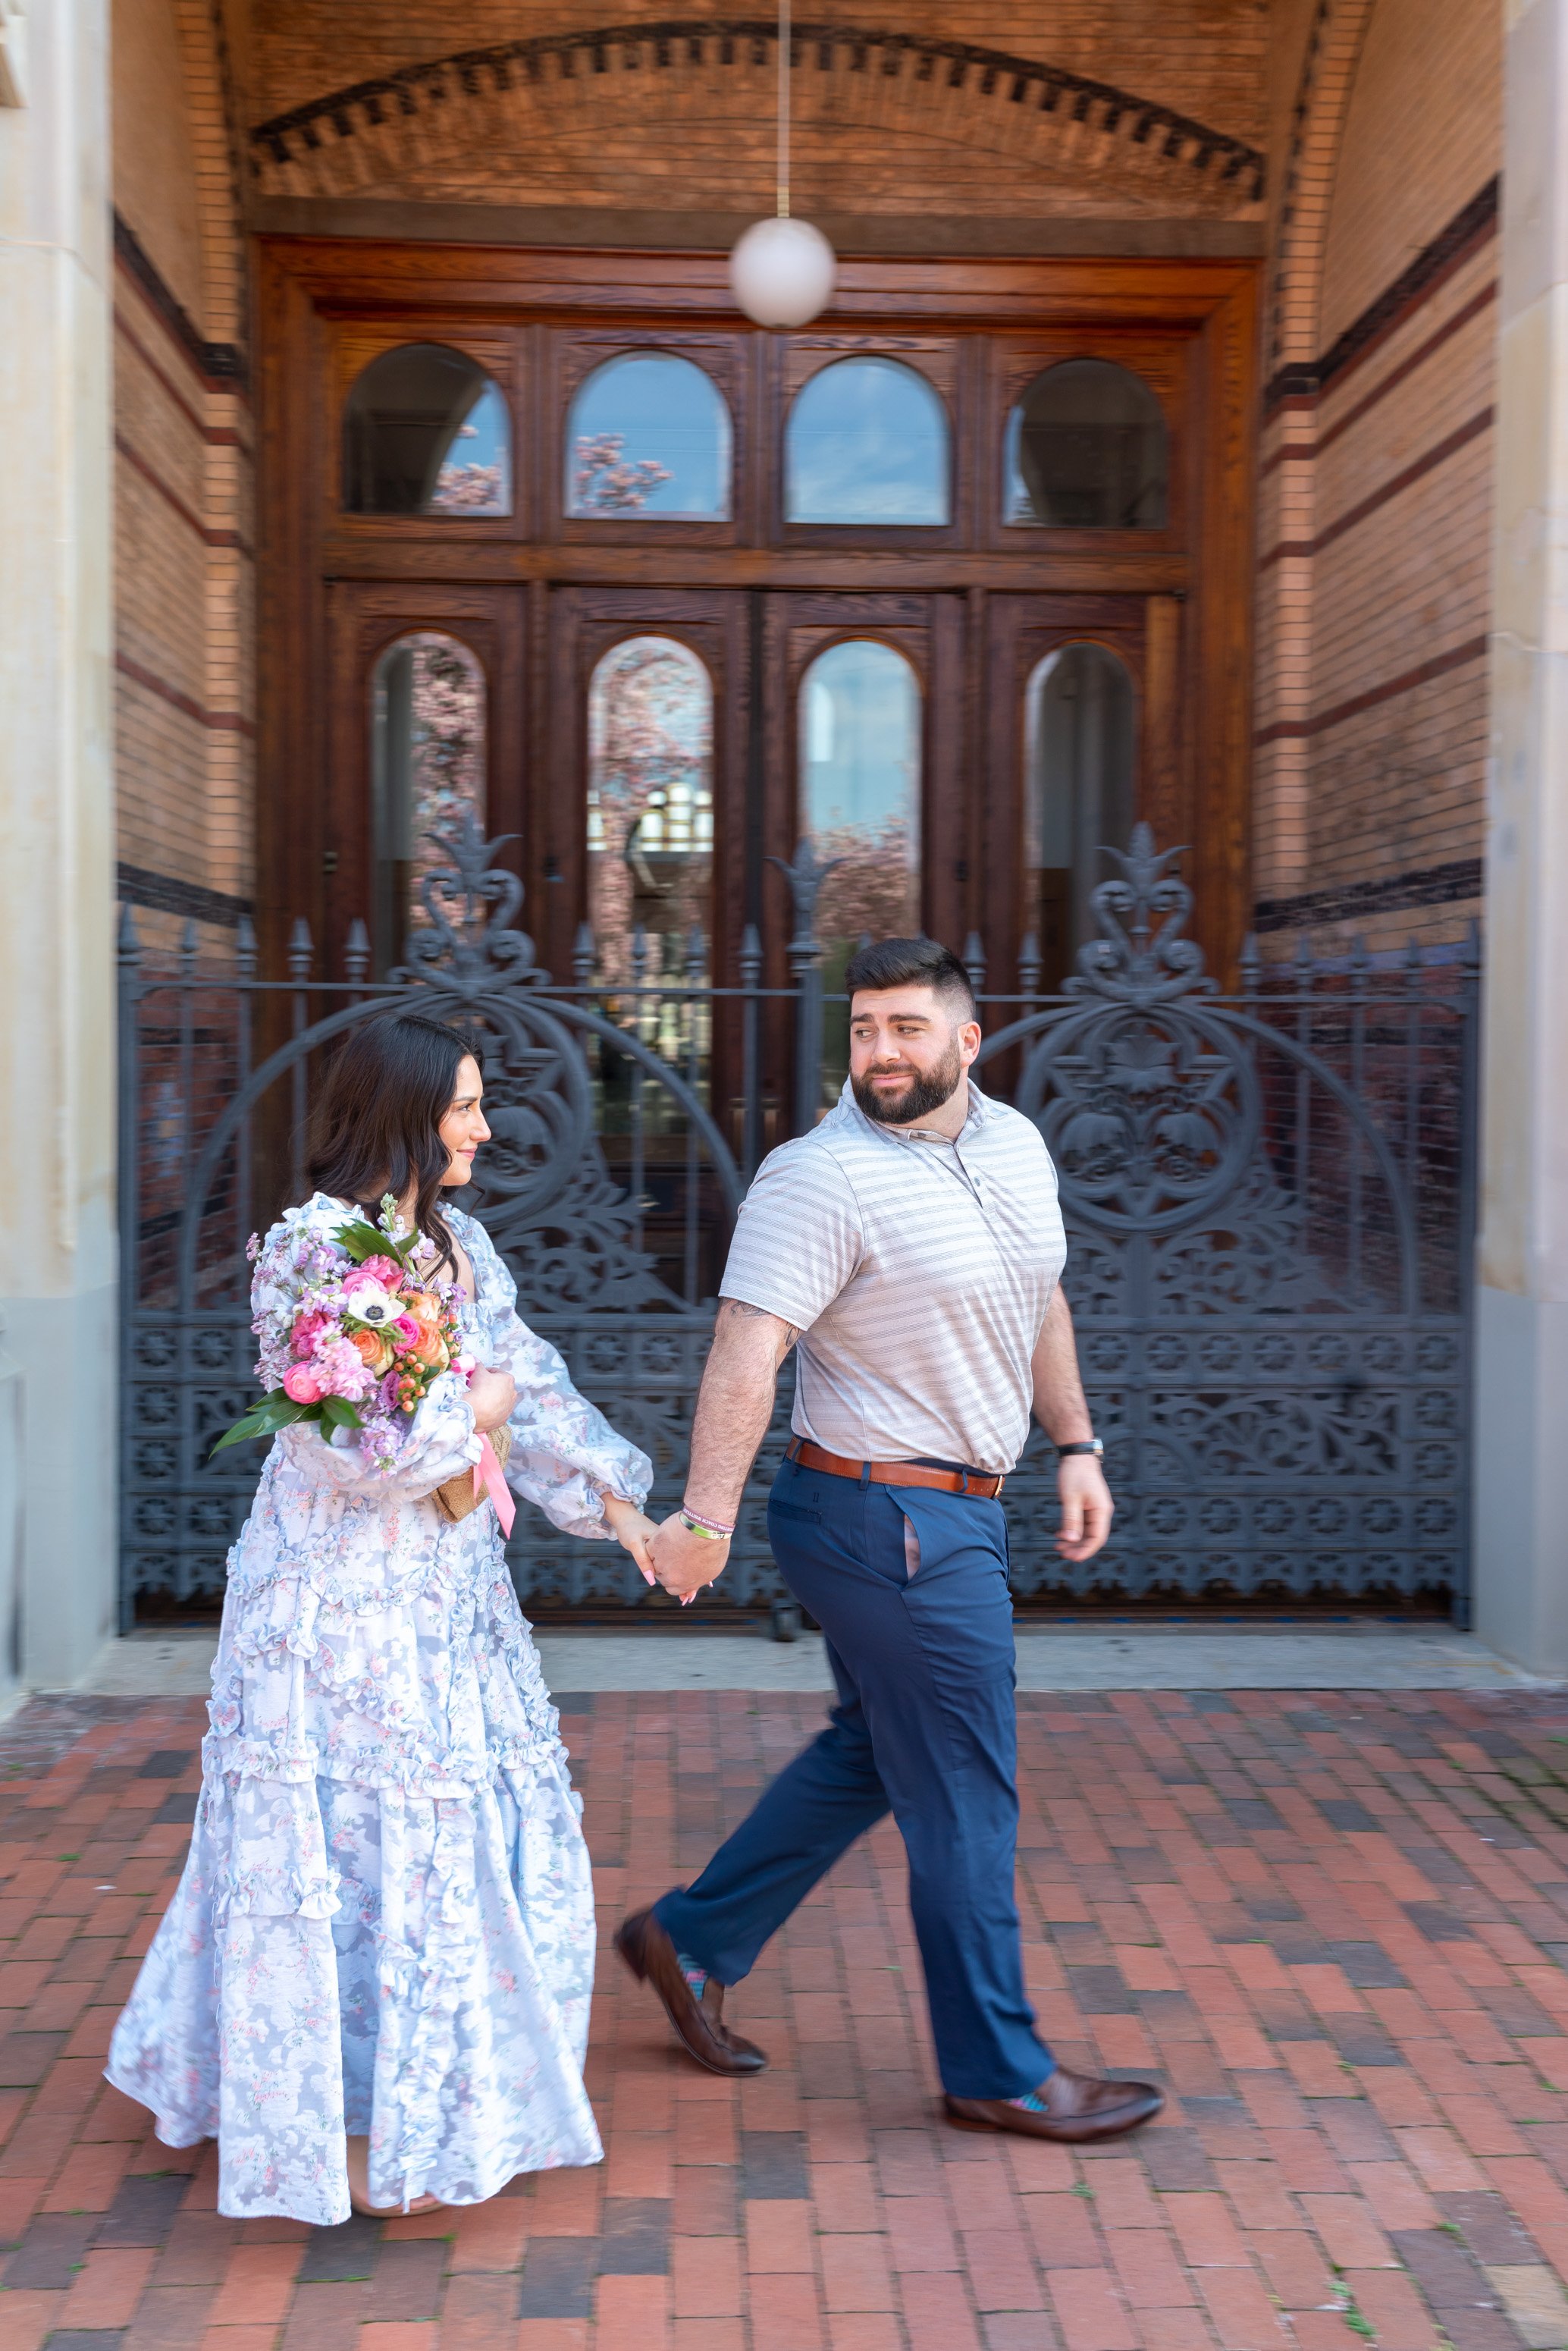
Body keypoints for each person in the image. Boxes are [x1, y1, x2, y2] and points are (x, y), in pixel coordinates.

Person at [108, 1013, 660, 2224]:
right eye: (465, 1106)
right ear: (404, 1113)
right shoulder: (315, 1250)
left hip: (448, 1592)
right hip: (333, 1602)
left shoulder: (459, 1245)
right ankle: (327, 2123)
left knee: (454, 1832)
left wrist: (624, 1507)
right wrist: (486, 1400)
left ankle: (426, 2103)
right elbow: (368, 1451)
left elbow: (535, 1382)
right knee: (342, 1842)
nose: (484, 1127)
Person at [616, 937, 1162, 2142]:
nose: (881, 1053)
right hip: (885, 1513)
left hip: (951, 1506)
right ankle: (999, 2070)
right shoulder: (819, 1177)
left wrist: (1076, 1443)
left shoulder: (1013, 1144)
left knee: (880, 1748)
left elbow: (1042, 1295)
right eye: (864, 1030)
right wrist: (703, 1519)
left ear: (967, 1041)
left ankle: (690, 1936)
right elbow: (745, 1353)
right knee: (965, 1792)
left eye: (907, 1029)